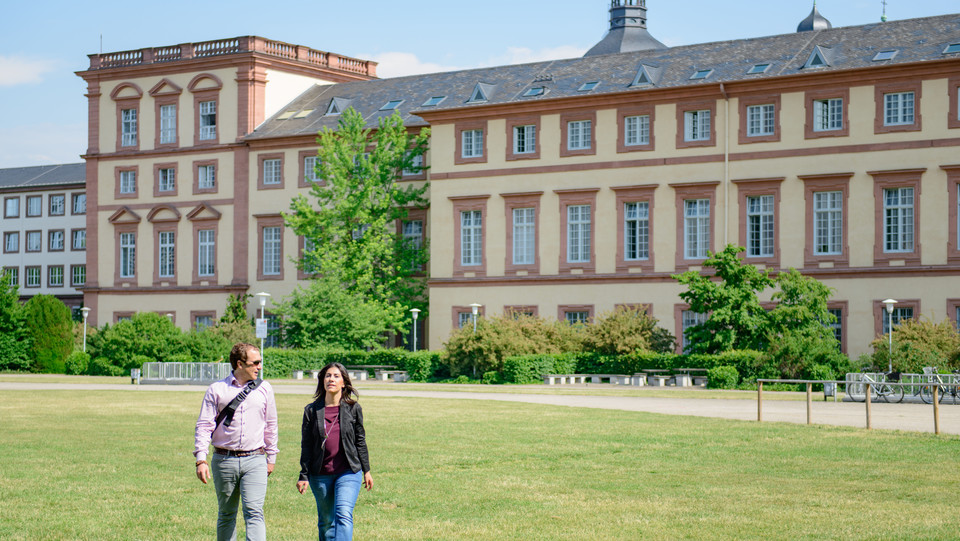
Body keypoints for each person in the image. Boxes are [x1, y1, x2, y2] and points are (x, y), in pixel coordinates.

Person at [194, 343, 278, 541]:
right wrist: (201, 459)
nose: (259, 367)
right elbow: (204, 425)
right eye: (255, 363)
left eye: (260, 362)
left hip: (255, 458)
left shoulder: (265, 388)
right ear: (239, 364)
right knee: (226, 513)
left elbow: (271, 425)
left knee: (254, 512)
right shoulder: (217, 389)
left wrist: (271, 457)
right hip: (224, 459)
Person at [297, 362, 373, 541]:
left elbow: (360, 441)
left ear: (344, 383)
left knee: (343, 514)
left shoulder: (354, 409)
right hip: (320, 474)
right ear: (322, 381)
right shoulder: (311, 410)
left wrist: (367, 470)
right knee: (326, 521)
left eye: (336, 376)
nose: (331, 379)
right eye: (328, 376)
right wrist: (304, 475)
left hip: (348, 472)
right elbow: (306, 445)